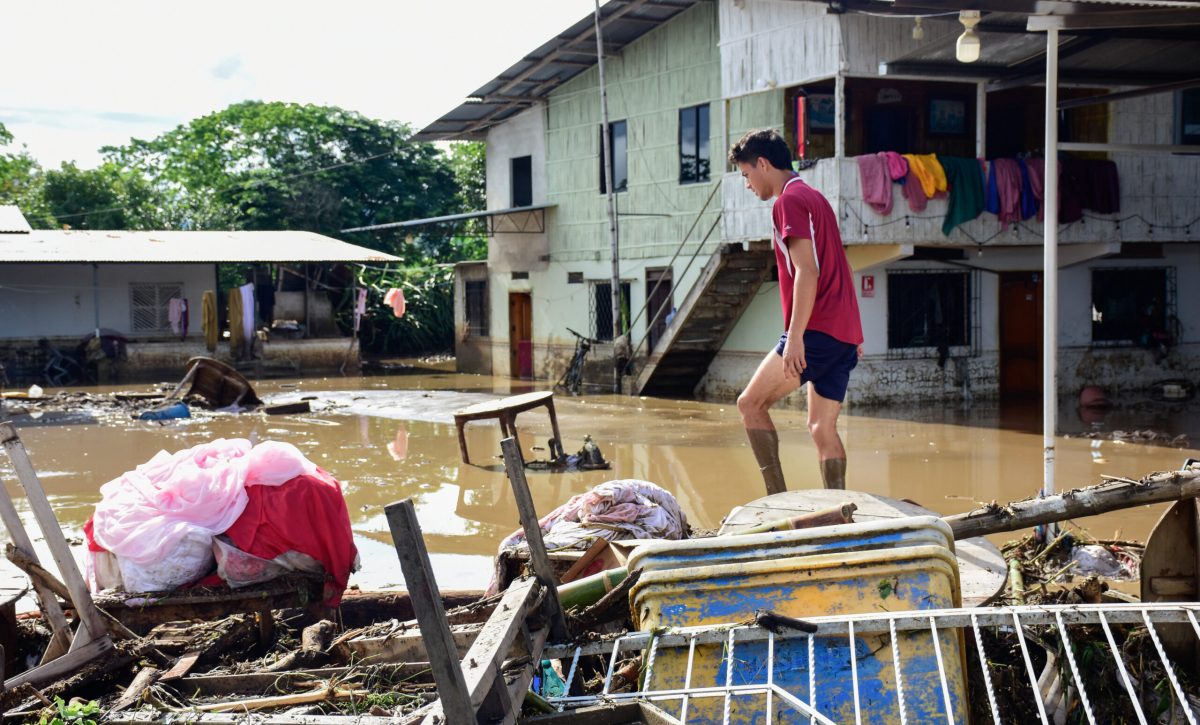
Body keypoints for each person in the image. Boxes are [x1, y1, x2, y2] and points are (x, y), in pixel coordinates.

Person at [729, 129, 864, 492]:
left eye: (745, 175)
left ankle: (775, 502)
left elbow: (808, 270)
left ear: (762, 164)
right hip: (841, 333)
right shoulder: (815, 197)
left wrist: (796, 338)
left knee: (750, 404)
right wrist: (854, 333)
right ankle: (838, 509)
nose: (747, 184)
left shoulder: (786, 202)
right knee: (821, 426)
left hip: (816, 330)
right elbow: (841, 265)